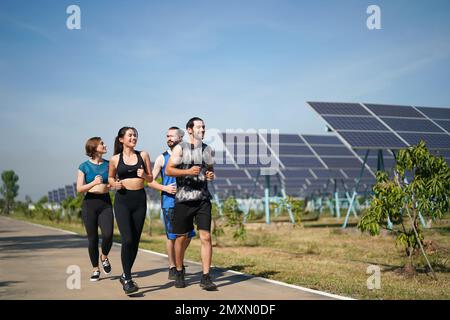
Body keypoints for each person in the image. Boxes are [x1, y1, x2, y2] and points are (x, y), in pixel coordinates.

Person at [165, 117, 217, 291]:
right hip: (183, 200)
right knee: (181, 238)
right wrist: (187, 171)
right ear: (189, 130)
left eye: (204, 127)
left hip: (202, 199)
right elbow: (168, 170)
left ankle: (206, 277)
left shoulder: (208, 150)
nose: (202, 130)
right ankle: (179, 271)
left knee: (206, 237)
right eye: (199, 127)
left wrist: (210, 175)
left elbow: (210, 170)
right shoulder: (180, 148)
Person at [108, 127, 153, 295]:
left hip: (139, 200)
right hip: (122, 201)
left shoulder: (144, 155)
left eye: (135, 135)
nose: (133, 137)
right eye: (130, 135)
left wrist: (144, 176)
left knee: (134, 241)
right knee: (127, 239)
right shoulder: (114, 159)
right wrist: (114, 184)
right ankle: (127, 279)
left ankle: (125, 274)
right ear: (121, 139)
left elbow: (151, 178)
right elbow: (111, 178)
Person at [147, 127, 196, 280]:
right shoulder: (162, 158)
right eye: (167, 136)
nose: (168, 138)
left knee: (188, 235)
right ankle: (172, 267)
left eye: (171, 136)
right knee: (172, 237)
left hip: (187, 202)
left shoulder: (188, 155)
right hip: (169, 202)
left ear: (181, 137)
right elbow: (150, 181)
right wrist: (165, 187)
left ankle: (178, 259)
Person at [76, 137, 113, 282]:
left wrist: (112, 185)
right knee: (93, 239)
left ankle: (104, 256)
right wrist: (94, 182)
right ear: (94, 148)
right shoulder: (83, 166)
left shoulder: (109, 164)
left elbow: (111, 182)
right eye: (102, 144)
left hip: (105, 202)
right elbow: (79, 189)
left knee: (108, 234)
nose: (105, 145)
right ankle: (95, 269)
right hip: (89, 204)